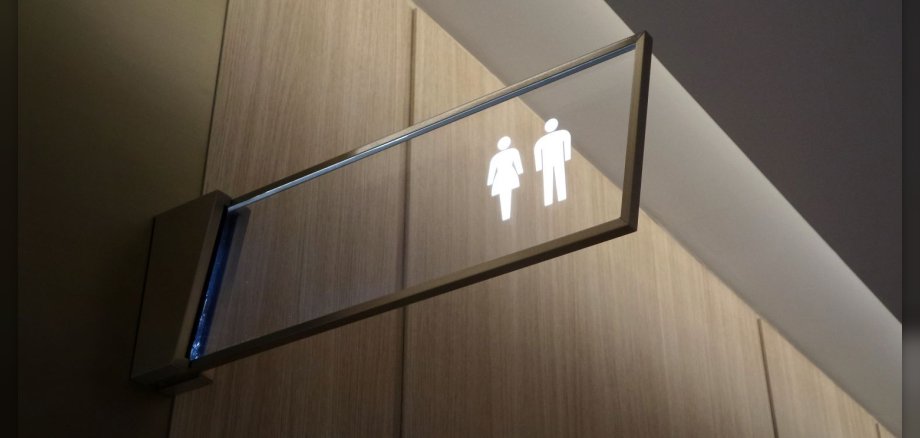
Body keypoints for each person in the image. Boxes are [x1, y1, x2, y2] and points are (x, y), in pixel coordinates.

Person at [533, 118, 571, 206]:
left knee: (558, 177)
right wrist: (539, 166)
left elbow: (566, 144)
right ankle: (549, 200)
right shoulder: (542, 140)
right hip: (549, 162)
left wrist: (566, 157)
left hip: (557, 160)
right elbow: (537, 151)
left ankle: (560, 198)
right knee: (549, 180)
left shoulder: (562, 134)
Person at [487, 136, 524, 221]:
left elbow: (491, 173)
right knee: (506, 198)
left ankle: (507, 217)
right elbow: (518, 166)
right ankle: (506, 218)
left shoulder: (496, 157)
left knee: (507, 198)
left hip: (503, 178)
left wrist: (490, 182)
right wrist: (520, 172)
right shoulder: (513, 152)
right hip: (505, 177)